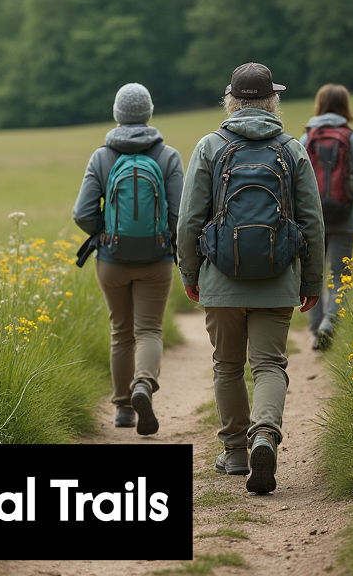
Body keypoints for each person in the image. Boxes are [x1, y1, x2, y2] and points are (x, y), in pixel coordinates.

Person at [177, 63, 323, 494]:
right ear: (271, 101)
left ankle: (237, 452)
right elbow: (312, 221)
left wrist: (190, 273)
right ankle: (265, 435)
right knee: (269, 364)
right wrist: (311, 282)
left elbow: (188, 221)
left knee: (227, 365)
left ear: (232, 101)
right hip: (278, 278)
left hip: (219, 278)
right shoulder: (292, 148)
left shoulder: (210, 146)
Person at [73, 83, 184, 435]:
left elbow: (82, 213)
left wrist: (103, 232)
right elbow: (180, 213)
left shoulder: (102, 156)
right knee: (149, 329)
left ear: (118, 114)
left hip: (112, 257)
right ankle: (143, 385)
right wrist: (167, 239)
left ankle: (122, 409)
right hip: (157, 258)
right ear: (148, 112)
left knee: (121, 332)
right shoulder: (167, 156)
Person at [301, 84, 353, 352]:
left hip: (312, 218)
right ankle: (330, 323)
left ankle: (315, 329)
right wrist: (349, 198)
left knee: (313, 274)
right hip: (344, 216)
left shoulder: (306, 139)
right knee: (341, 276)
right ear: (346, 106)